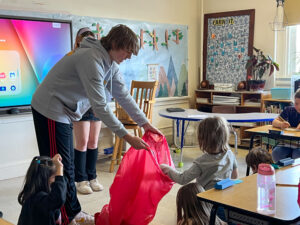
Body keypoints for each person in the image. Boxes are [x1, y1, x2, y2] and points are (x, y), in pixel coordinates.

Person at [31, 24, 161, 225]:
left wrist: (145, 124)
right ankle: (67, 218)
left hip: (64, 111)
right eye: (127, 52)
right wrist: (127, 136)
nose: (129, 57)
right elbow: (100, 106)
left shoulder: (110, 64)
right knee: (59, 166)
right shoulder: (91, 59)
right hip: (50, 108)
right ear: (116, 44)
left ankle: (69, 212)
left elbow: (124, 97)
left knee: (67, 165)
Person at [160, 116, 238, 190]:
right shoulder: (230, 154)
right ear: (225, 136)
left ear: (202, 139)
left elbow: (182, 179)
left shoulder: (201, 162)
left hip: (206, 200)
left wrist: (167, 169)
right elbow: (234, 176)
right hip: (224, 196)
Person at [72, 27, 103, 195]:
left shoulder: (97, 59)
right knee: (82, 142)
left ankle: (92, 177)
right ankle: (81, 179)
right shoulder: (73, 58)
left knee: (93, 142)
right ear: (78, 41)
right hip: (80, 106)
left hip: (95, 105)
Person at [17, 154, 66, 225]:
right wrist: (60, 167)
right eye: (55, 177)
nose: (57, 180)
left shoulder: (36, 194)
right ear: (44, 179)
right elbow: (59, 199)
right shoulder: (38, 199)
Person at [271, 89, 300, 162]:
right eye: (296, 104)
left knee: (297, 155)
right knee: (276, 153)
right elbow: (274, 122)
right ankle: (282, 172)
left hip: (299, 145)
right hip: (287, 142)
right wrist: (281, 124)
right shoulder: (289, 110)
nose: (299, 107)